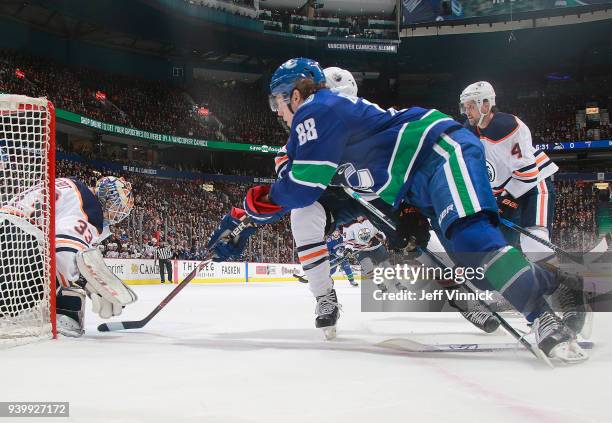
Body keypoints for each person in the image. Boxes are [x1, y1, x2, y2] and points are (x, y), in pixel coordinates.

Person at [209, 58, 587, 362]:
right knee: (477, 263)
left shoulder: (316, 110)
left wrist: (242, 215)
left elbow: (297, 188)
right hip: (416, 182)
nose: (276, 112)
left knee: (475, 241)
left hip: (438, 154)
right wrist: (241, 222)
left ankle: (542, 318)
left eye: (276, 101)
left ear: (293, 95)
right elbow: (308, 190)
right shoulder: (314, 124)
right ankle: (560, 284)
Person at [0, 176, 136, 337]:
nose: (116, 217)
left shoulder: (70, 184)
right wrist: (90, 281)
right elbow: (65, 255)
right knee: (71, 282)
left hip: (7, 230)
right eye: (117, 210)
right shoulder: (91, 209)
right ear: (108, 201)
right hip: (15, 249)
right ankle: (61, 316)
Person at [459, 81, 559, 263]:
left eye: (471, 106)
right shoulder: (468, 130)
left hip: (533, 185)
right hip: (504, 193)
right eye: (465, 107)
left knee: (534, 243)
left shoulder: (508, 126)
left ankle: (560, 284)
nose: (467, 112)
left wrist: (506, 199)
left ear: (486, 104)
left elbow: (528, 174)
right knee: (498, 247)